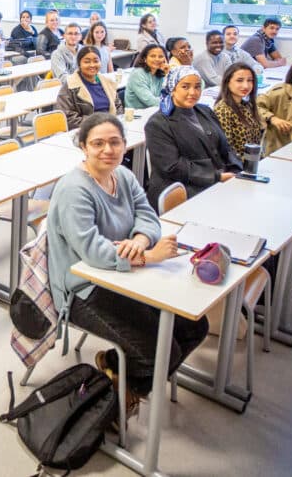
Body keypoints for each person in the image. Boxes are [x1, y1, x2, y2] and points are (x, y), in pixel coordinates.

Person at [46, 113, 207, 412]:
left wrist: (140, 241)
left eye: (114, 142)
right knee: (162, 353)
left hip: (125, 277)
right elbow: (92, 251)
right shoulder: (74, 189)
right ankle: (117, 396)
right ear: (83, 147)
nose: (108, 150)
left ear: (124, 144)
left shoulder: (124, 175)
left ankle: (121, 380)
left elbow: (147, 216)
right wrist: (148, 257)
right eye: (98, 143)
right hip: (83, 289)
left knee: (195, 326)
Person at [144, 66, 242, 208]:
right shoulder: (158, 123)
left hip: (217, 181)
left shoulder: (205, 111)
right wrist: (217, 177)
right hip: (184, 188)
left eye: (197, 87)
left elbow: (225, 147)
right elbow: (172, 167)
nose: (193, 92)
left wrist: (235, 169)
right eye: (185, 87)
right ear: (173, 88)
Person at [56, 46, 123, 130]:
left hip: (111, 127)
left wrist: (115, 122)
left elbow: (118, 106)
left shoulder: (108, 82)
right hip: (85, 130)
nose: (92, 65)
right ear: (79, 64)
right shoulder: (70, 85)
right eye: (87, 62)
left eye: (96, 61)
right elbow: (68, 117)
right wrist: (97, 124)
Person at [213, 62, 264, 160]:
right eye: (239, 80)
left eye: (250, 80)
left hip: (253, 162)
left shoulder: (247, 105)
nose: (246, 86)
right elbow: (226, 151)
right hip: (237, 167)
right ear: (228, 82)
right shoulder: (223, 110)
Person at [124, 44, 167, 109]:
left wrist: (168, 75)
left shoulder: (160, 73)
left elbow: (168, 94)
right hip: (137, 115)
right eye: (153, 56)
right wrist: (172, 102)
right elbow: (151, 101)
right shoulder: (138, 74)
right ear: (145, 58)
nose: (157, 59)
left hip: (154, 111)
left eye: (161, 56)